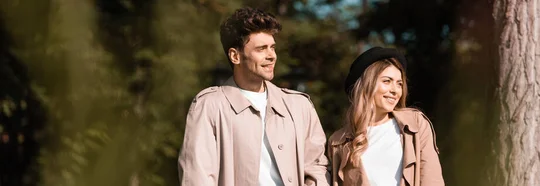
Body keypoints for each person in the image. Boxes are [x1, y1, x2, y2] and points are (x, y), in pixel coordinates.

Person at [178, 7, 329, 186]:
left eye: (272, 48)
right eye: (261, 49)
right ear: (235, 56)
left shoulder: (299, 106)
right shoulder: (210, 105)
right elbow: (197, 176)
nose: (271, 56)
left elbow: (316, 167)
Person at [327, 47, 444, 186]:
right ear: (366, 86)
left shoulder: (415, 125)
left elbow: (432, 179)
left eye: (399, 84)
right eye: (387, 81)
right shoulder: (338, 142)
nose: (395, 90)